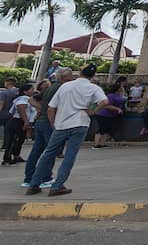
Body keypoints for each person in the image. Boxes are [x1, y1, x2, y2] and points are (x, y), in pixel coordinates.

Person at [25, 64, 108, 196]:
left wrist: (53, 122)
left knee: (48, 153)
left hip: (62, 124)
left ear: (80, 73)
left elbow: (51, 108)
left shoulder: (65, 86)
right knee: (70, 154)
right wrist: (92, 111)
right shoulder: (93, 88)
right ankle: (57, 185)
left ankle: (34, 184)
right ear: (92, 75)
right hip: (80, 122)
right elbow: (104, 101)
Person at [22, 68, 71, 189]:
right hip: (49, 123)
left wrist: (40, 109)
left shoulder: (50, 88)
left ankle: (29, 178)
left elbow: (32, 99)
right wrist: (51, 118)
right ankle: (45, 177)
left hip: (40, 122)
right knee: (50, 151)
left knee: (37, 151)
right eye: (70, 77)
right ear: (65, 78)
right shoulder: (61, 88)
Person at [3, 84, 35, 165]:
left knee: (20, 139)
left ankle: (16, 155)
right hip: (18, 121)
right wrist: (26, 121)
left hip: (18, 120)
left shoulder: (27, 99)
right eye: (31, 89)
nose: (33, 91)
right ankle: (7, 158)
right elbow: (21, 108)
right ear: (25, 91)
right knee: (14, 140)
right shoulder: (23, 99)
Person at [93, 78, 126, 149]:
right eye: (121, 88)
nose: (122, 88)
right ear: (117, 89)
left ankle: (102, 143)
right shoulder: (111, 96)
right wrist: (117, 109)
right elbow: (106, 105)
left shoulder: (119, 96)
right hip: (103, 114)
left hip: (111, 115)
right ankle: (96, 144)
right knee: (101, 128)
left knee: (106, 129)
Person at [0, 78, 19, 159]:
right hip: (14, 115)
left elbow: (1, 104)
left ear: (7, 83)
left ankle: (5, 146)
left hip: (3, 114)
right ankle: (8, 148)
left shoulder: (3, 93)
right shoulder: (18, 92)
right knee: (10, 134)